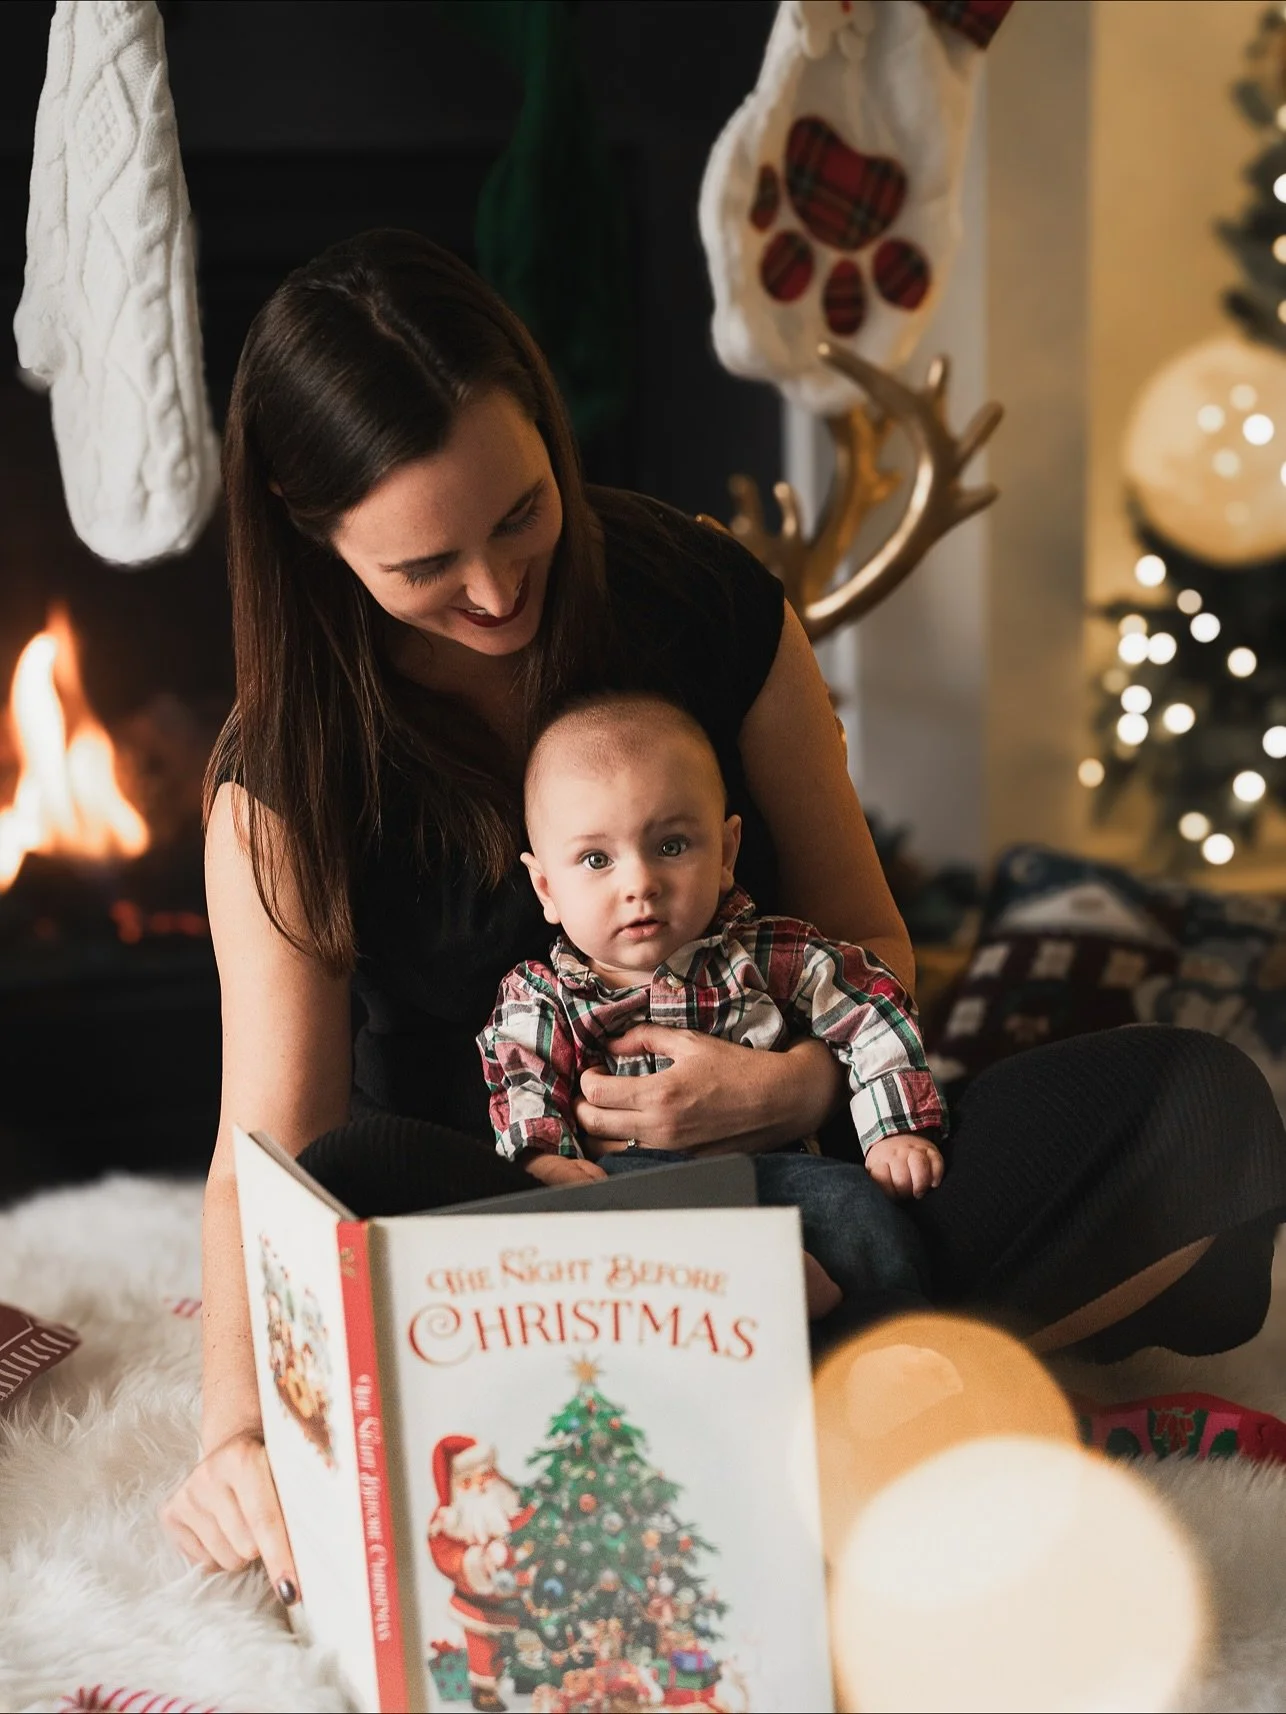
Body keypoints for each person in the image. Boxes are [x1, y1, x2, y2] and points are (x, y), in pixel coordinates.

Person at [161, 228, 1286, 1615]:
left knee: (1201, 1108)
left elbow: (869, 946)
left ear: (551, 439)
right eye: (424, 565)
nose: (498, 592)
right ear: (306, 527)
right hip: (516, 1231)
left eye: (518, 514)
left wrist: (795, 1083)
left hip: (810, 1189)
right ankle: (872, 1388)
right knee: (351, 1171)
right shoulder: (283, 776)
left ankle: (770, 1387)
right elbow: (259, 1158)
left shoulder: (704, 598)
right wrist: (236, 1434)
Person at [479, 689, 943, 1336]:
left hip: (781, 1173)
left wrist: (892, 1127)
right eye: (596, 859)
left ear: (726, 853)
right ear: (547, 889)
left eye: (671, 846)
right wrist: (542, 1160)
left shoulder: (773, 952)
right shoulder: (542, 995)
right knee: (587, 1256)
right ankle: (773, 1310)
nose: (638, 882)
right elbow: (521, 1077)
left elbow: (871, 1008)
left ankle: (893, 1347)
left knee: (858, 1207)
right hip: (628, 1188)